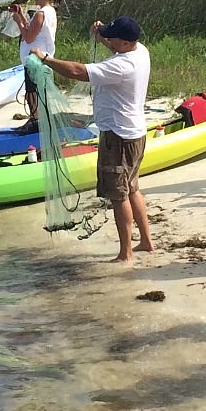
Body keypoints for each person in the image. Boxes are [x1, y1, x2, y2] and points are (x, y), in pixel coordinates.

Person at [39, 16, 152, 263]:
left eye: (112, 37)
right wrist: (102, 34)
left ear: (123, 43)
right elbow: (115, 43)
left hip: (118, 136)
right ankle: (145, 242)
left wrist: (46, 59)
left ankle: (126, 253)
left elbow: (78, 71)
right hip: (134, 133)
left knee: (119, 194)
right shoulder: (140, 50)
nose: (107, 39)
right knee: (132, 188)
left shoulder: (122, 66)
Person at [12, 0, 59, 130]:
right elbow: (33, 29)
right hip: (42, 58)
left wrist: (18, 22)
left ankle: (35, 120)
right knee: (36, 92)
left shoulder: (41, 14)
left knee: (32, 93)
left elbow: (29, 37)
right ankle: (36, 119)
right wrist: (22, 16)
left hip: (35, 60)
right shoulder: (50, 11)